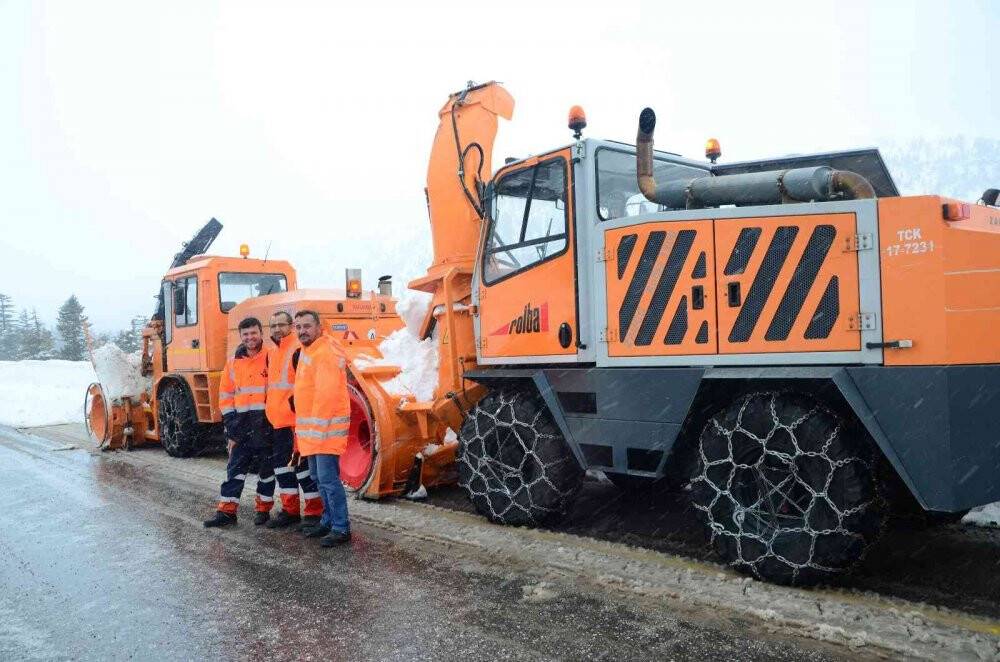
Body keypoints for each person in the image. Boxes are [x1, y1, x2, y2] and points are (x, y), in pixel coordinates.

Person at [203, 317, 277, 528]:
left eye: (253, 333)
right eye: (245, 334)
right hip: (241, 426)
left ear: (261, 333)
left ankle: (263, 510)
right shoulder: (232, 363)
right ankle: (226, 512)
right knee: (235, 470)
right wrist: (231, 423)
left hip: (265, 425)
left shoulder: (272, 357)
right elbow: (226, 395)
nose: (250, 337)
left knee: (266, 472)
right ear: (241, 336)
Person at [290, 309, 352, 546]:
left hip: (325, 431)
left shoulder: (325, 352)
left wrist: (317, 431)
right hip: (315, 432)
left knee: (327, 479)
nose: (302, 331)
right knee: (318, 477)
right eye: (298, 327)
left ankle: (340, 527)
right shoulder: (310, 350)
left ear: (319, 327)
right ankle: (328, 521)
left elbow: (326, 396)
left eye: (307, 326)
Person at [262, 311, 324, 530]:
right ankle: (290, 511)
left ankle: (314, 513)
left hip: (295, 423)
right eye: (273, 326)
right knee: (282, 468)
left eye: (281, 324)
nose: (277, 329)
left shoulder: (297, 350)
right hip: (277, 422)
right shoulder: (272, 352)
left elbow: (306, 386)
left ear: (291, 326)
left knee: (302, 469)